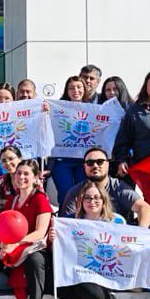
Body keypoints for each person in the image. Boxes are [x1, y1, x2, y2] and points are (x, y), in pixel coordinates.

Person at [0, 158, 52, 299]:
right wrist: (4, 244)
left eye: (26, 174)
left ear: (36, 177)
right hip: (15, 247)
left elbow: (39, 232)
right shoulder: (12, 200)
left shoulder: (40, 199)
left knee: (35, 260)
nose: (21, 177)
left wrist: (16, 244)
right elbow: (4, 228)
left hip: (35, 247)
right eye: (18, 173)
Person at [56, 184, 125, 299]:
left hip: (106, 268)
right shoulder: (71, 220)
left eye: (96, 197)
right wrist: (55, 237)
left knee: (85, 281)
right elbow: (63, 245)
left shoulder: (116, 220)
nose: (92, 201)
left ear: (104, 200)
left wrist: (149, 237)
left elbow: (127, 244)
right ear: (81, 201)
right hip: (77, 266)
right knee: (57, 284)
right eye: (87, 198)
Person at [57, 148, 150, 227]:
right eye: (90, 163)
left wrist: (142, 232)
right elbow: (66, 223)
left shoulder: (119, 187)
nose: (95, 166)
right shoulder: (75, 191)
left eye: (100, 162)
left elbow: (145, 208)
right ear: (84, 166)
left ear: (107, 164)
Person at [49, 75, 89, 204]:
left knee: (83, 194)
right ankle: (64, 219)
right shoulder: (57, 108)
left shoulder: (93, 109)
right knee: (65, 193)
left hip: (83, 160)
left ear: (85, 89)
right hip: (62, 159)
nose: (75, 90)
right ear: (67, 90)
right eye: (71, 88)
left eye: (79, 87)